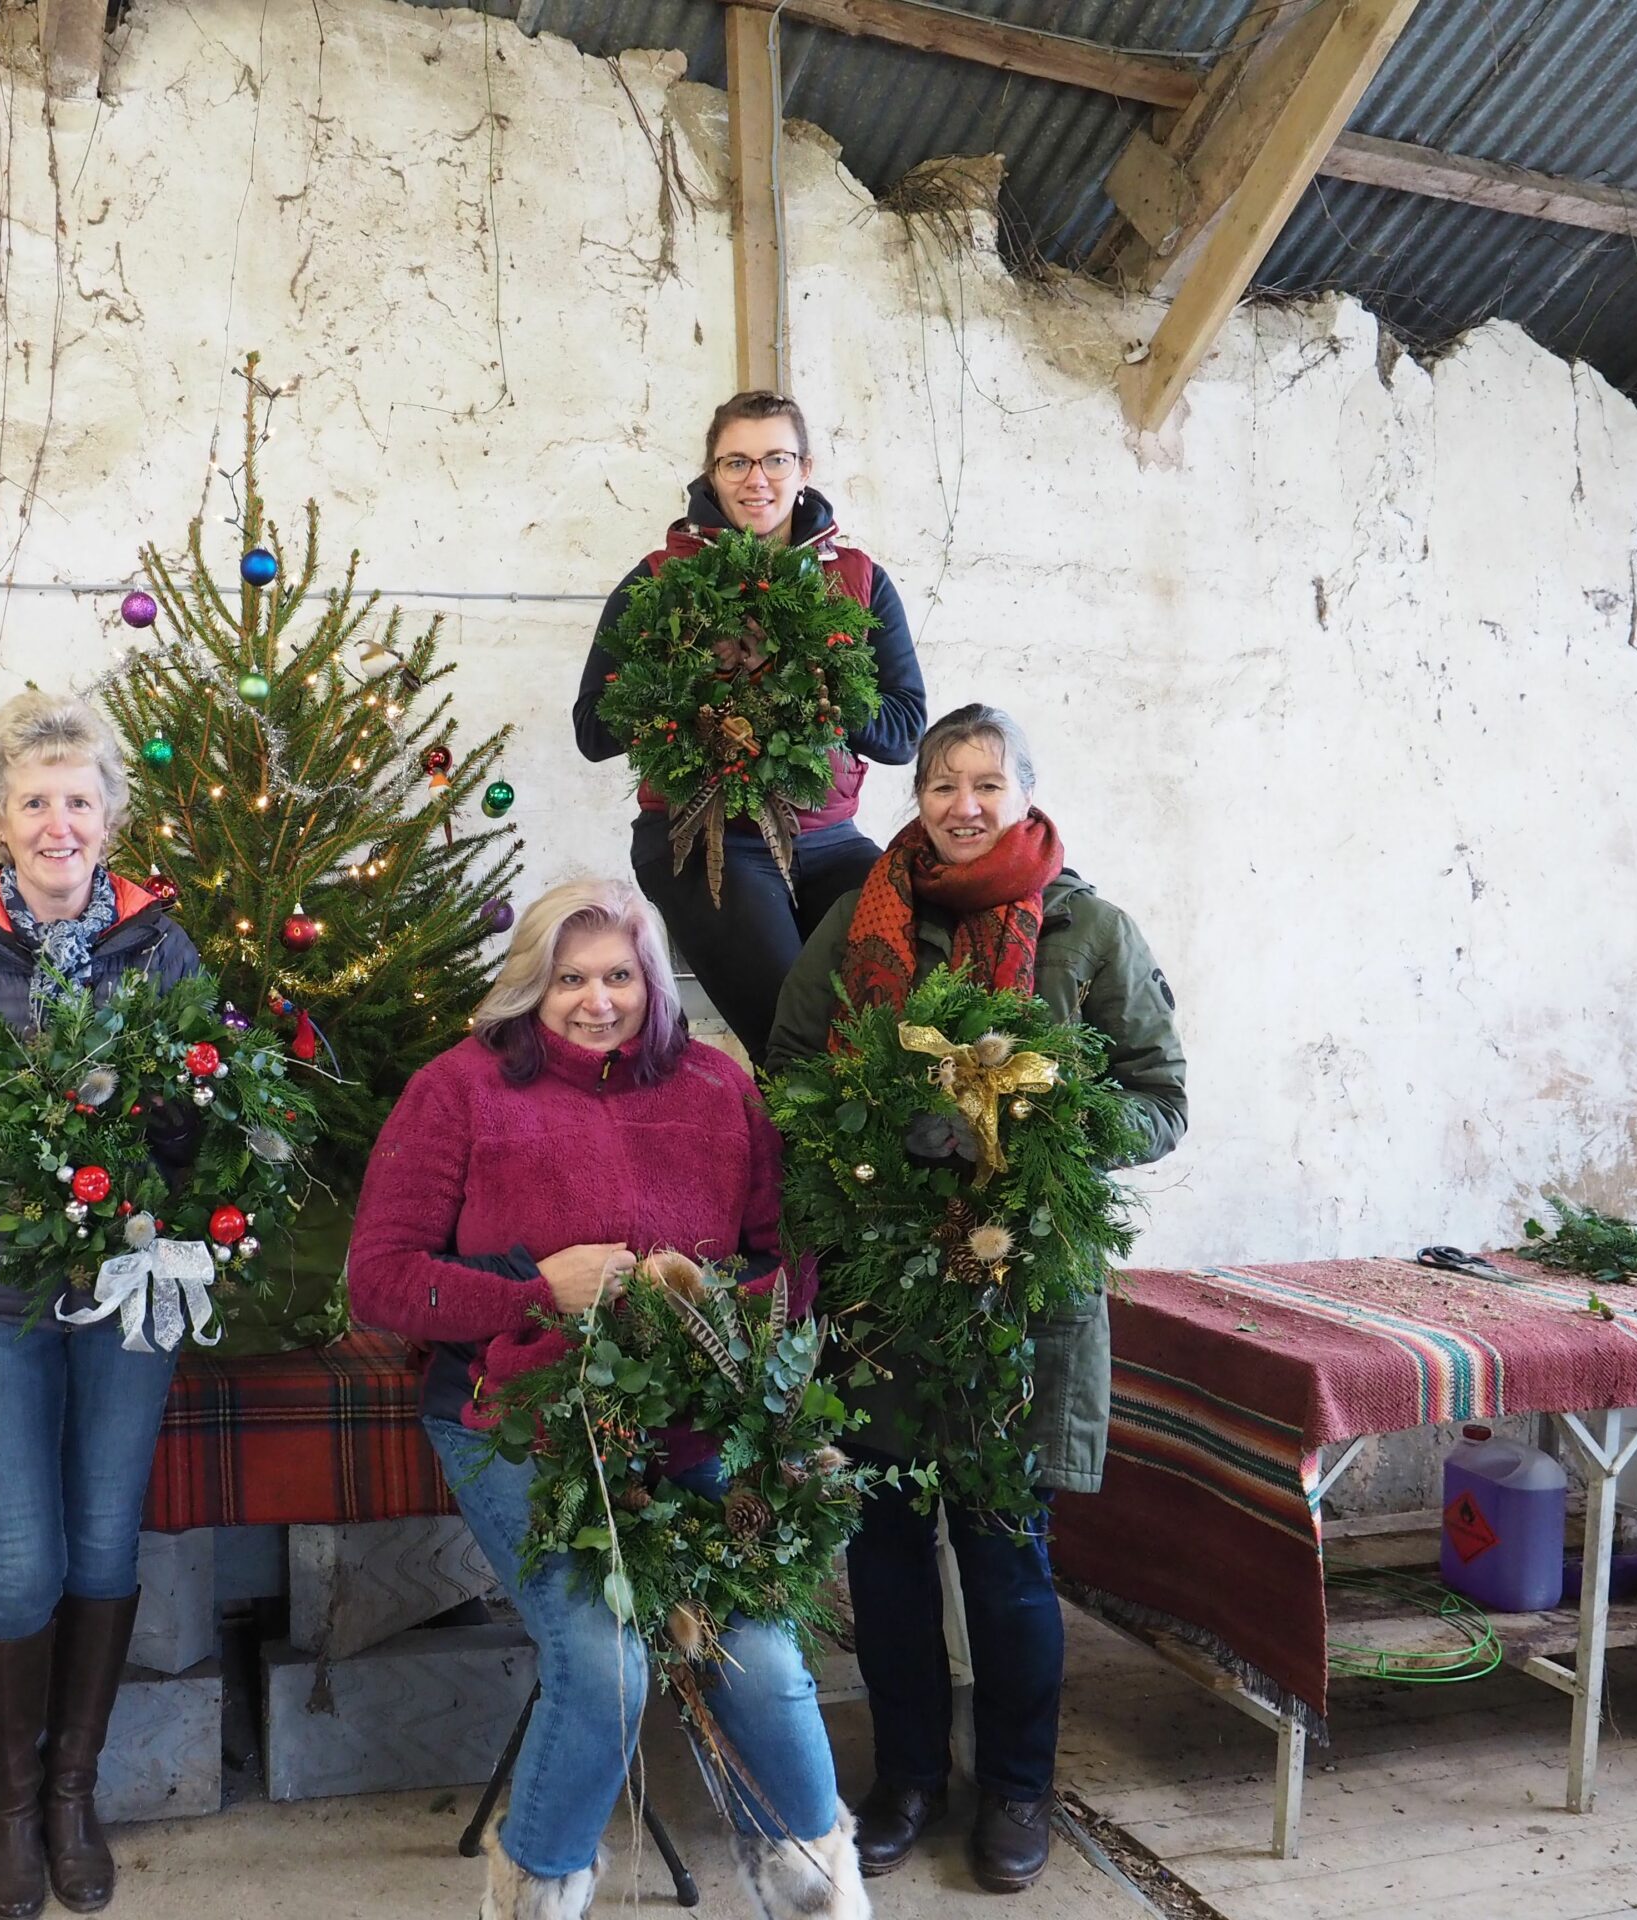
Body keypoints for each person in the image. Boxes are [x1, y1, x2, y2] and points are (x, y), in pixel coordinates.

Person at [351, 879, 868, 1920]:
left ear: (651, 979)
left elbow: (785, 1263)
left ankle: (812, 1890)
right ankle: (536, 1896)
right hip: (519, 1424)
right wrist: (538, 1290)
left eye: (620, 976)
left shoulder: (718, 1089)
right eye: (571, 977)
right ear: (531, 982)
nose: (598, 1000)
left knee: (762, 1657)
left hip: (688, 1428)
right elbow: (382, 1279)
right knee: (608, 1662)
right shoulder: (457, 1091)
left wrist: (715, 1307)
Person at [765, 703, 1187, 1894]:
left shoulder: (1085, 929)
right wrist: (863, 1141)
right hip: (886, 1288)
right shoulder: (862, 921)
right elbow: (790, 1066)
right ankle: (904, 1780)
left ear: (1025, 796)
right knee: (889, 1547)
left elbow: (1160, 1096)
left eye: (986, 785)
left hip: (1025, 1290)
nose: (963, 804)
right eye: (943, 783)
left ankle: (1014, 1788)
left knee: (1006, 1554)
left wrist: (1042, 1126)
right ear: (918, 799)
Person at [0, 690, 203, 1920]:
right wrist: (29, 1112)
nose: (57, 822)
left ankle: (74, 1795)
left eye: (78, 799)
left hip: (127, 1282)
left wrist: (164, 1112)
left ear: (109, 815)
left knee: (106, 1541)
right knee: (18, 1560)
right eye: (33, 802)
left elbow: (202, 1103)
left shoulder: (159, 941)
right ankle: (9, 1811)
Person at [574, 390, 926, 1063]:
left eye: (774, 459)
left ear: (805, 468)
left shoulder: (857, 580)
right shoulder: (660, 579)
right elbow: (593, 730)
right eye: (735, 462)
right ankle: (806, 1164)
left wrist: (823, 677)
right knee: (796, 1045)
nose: (755, 479)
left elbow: (904, 729)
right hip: (705, 840)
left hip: (827, 839)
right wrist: (685, 682)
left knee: (904, 992)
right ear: (710, 473)